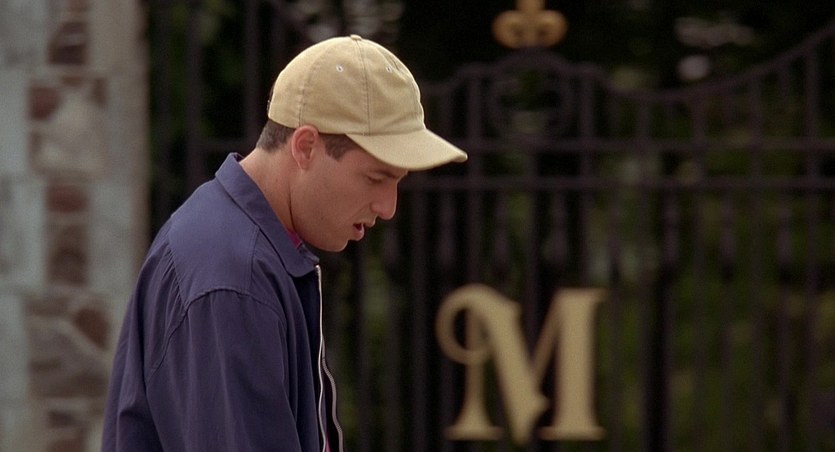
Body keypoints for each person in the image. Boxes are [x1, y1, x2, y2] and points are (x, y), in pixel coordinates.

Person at [101, 34, 467, 451]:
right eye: (375, 177)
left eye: (398, 181)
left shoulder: (243, 249)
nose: (388, 207)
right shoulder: (232, 277)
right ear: (305, 146)